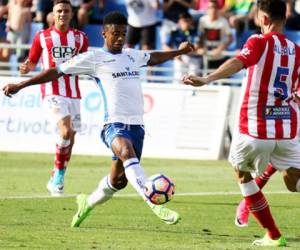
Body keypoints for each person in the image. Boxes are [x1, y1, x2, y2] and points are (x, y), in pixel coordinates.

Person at [2, 11, 194, 226]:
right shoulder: (93, 59)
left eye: (123, 33)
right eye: (115, 34)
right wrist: (20, 85)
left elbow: (154, 57)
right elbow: (55, 71)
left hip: (138, 127)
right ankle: (156, 205)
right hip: (113, 124)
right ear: (104, 34)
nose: (120, 38)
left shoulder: (132, 55)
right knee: (125, 151)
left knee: (117, 181)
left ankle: (87, 203)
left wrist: (181, 51)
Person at [182, 0, 300, 246]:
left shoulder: (258, 41)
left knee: (242, 174)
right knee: (294, 183)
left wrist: (207, 78)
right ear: (285, 18)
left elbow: (238, 62)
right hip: (287, 129)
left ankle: (274, 235)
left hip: (255, 128)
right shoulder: (296, 50)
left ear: (263, 19)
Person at [19, 0, 89, 196]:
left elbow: (84, 63)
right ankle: (58, 174)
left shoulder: (81, 38)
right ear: (52, 13)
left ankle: (57, 177)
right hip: (51, 91)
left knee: (71, 139)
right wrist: (26, 67)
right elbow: (32, 62)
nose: (62, 14)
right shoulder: (42, 36)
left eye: (66, 11)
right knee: (65, 132)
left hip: (74, 93)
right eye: (59, 11)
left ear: (71, 14)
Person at [197, 0, 233, 69]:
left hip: (220, 57)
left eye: (215, 7)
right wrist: (200, 47)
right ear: (207, 9)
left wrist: (220, 49)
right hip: (206, 56)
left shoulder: (223, 21)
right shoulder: (202, 20)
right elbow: (200, 36)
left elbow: (230, 38)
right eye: (211, 7)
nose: (213, 10)